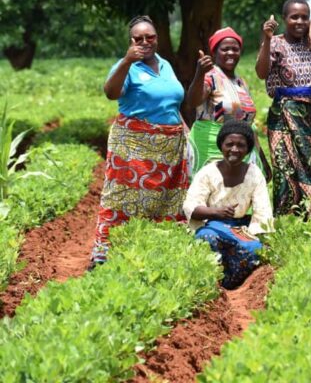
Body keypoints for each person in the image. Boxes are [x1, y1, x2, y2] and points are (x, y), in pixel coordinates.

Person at [90, 15, 188, 266]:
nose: (145, 42)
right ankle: (104, 255)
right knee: (122, 199)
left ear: (157, 38)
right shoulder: (127, 67)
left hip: (168, 149)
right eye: (138, 38)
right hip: (133, 146)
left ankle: (157, 254)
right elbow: (111, 93)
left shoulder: (166, 65)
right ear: (131, 41)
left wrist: (185, 131)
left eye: (150, 37)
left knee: (165, 200)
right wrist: (126, 61)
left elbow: (173, 103)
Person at [255, 0, 311, 219]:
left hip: (309, 115)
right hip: (283, 113)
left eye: (304, 16)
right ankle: (287, 218)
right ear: (284, 19)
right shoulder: (275, 42)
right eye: (294, 17)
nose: (299, 21)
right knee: (285, 168)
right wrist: (266, 40)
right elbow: (261, 72)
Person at [183, 120, 274, 289]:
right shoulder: (208, 172)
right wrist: (216, 212)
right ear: (221, 146)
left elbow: (262, 211)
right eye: (229, 144)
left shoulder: (254, 174)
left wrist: (257, 235)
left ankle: (230, 285)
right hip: (213, 225)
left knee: (254, 250)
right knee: (206, 238)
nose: (234, 150)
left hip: (241, 227)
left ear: (248, 149)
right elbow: (191, 206)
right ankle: (214, 283)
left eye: (241, 145)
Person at [186, 26, 271, 179]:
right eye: (225, 49)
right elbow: (193, 101)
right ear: (215, 52)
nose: (231, 53)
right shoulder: (210, 77)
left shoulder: (241, 83)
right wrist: (199, 73)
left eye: (235, 49)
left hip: (241, 150)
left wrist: (262, 158)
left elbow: (248, 124)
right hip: (210, 148)